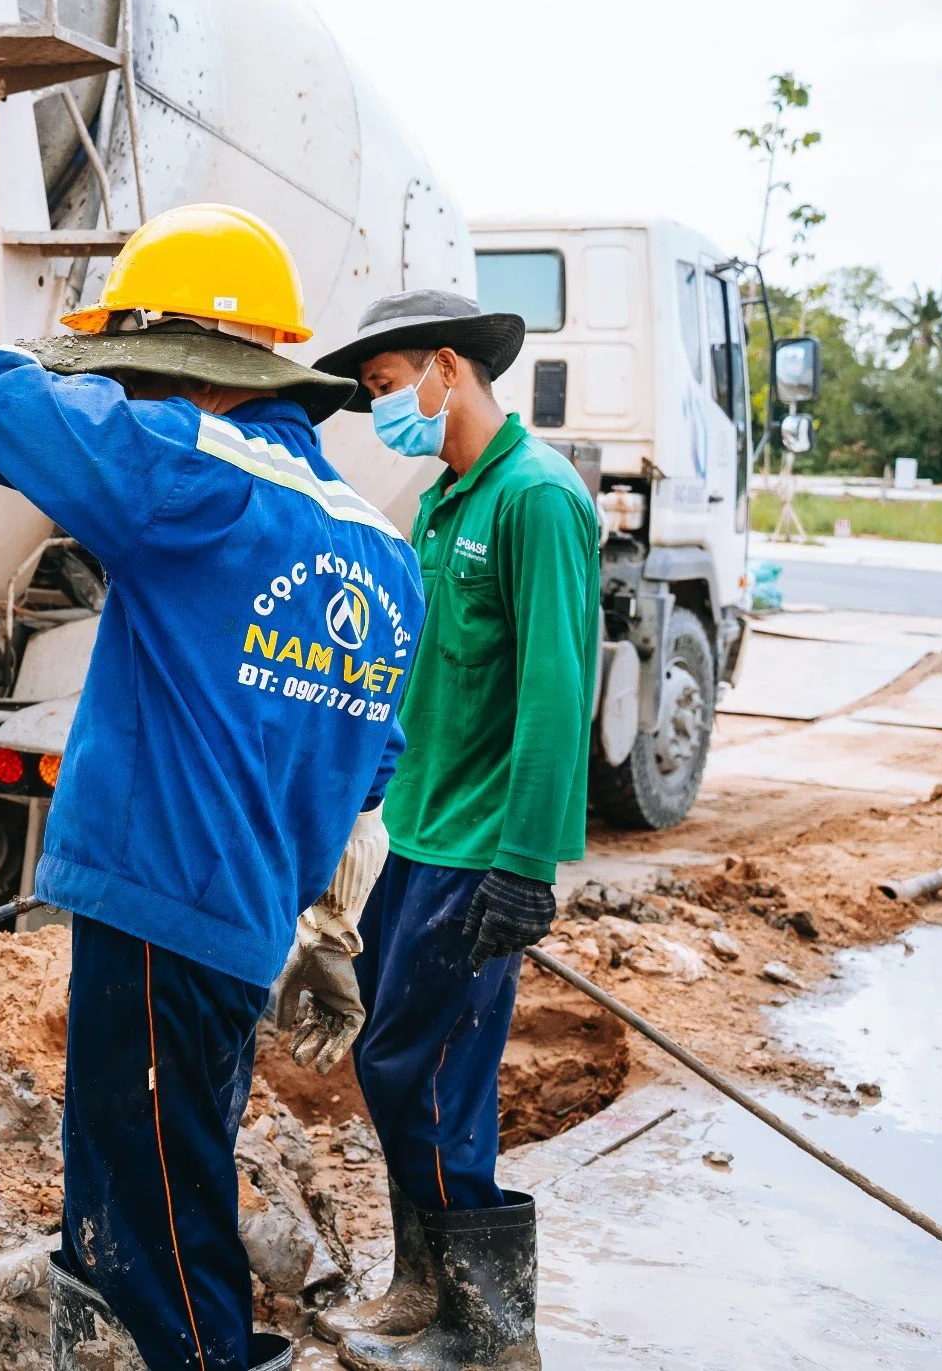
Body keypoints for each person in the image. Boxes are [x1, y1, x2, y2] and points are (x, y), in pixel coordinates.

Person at [0, 205, 423, 1371]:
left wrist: (77, 353)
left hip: (160, 901)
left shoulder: (191, 477)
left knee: (152, 1213)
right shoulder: (380, 549)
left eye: (143, 372)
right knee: (156, 1166)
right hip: (241, 922)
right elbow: (375, 763)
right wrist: (323, 926)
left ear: (185, 371)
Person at [306, 290, 598, 1371]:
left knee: (426, 1079)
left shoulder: (537, 499)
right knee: (398, 1072)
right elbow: (418, 687)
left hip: (477, 852)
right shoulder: (441, 504)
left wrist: (525, 869)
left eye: (384, 389)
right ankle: (418, 1288)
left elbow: (556, 699)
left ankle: (482, 1328)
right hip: (415, 840)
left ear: (444, 368)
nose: (382, 409)